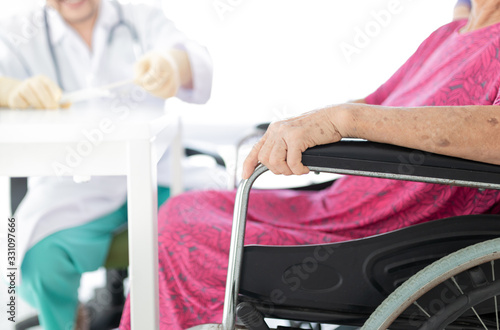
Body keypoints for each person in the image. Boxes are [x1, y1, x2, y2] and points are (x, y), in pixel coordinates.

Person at [116, 0, 500, 329]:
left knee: (183, 235)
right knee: (186, 209)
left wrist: (344, 120)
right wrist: (306, 122)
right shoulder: (447, 36)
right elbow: (379, 104)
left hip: (388, 232)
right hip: (335, 205)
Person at [0, 0, 214, 329]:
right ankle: (69, 321)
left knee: (206, 229)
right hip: (71, 188)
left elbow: (194, 57)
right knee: (35, 261)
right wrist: (11, 91)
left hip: (158, 178)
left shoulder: (137, 16)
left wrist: (172, 65)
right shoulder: (19, 31)